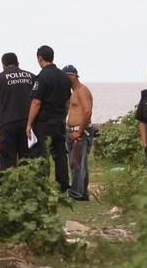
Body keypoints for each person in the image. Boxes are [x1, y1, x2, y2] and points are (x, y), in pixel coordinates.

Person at [26, 45, 72, 191]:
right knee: (60, 154)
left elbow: (36, 102)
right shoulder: (64, 77)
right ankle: (63, 185)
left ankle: (42, 186)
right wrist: (63, 117)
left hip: (44, 122)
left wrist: (29, 124)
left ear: (40, 58)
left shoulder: (42, 76)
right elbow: (67, 102)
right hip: (59, 121)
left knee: (41, 154)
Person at [0, 52, 34, 170]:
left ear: (3, 64)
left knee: (8, 159)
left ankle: (10, 186)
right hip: (27, 123)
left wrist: (0, 112)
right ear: (18, 63)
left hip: (7, 123)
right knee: (26, 158)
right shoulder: (31, 76)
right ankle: (28, 185)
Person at [63, 65, 94, 201]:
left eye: (65, 77)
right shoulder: (72, 92)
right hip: (72, 131)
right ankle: (83, 194)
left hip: (80, 132)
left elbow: (87, 111)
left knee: (77, 164)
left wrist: (79, 132)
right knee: (80, 164)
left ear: (73, 75)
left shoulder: (82, 90)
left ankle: (75, 193)